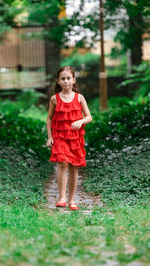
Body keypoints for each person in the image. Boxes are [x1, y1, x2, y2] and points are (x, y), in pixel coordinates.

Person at [46, 66, 92, 210]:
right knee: (62, 163)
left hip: (75, 138)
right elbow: (49, 119)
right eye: (63, 79)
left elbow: (89, 116)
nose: (66, 81)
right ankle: (62, 198)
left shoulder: (80, 98)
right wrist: (49, 137)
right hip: (60, 136)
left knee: (73, 166)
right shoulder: (54, 99)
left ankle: (72, 200)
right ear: (58, 81)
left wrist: (81, 121)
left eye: (68, 78)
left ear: (74, 80)